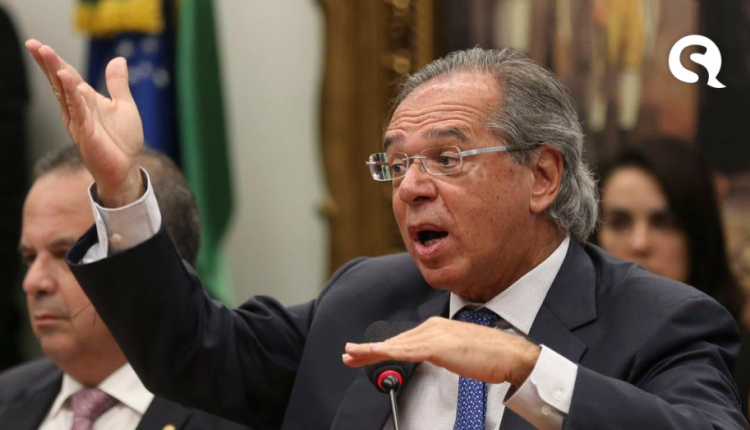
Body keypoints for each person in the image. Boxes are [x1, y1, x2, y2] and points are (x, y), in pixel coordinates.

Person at [25, 38, 748, 430]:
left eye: (447, 159)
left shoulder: (662, 322)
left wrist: (527, 368)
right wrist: (120, 190)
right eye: (397, 164)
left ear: (542, 175)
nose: (411, 187)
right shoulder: (366, 297)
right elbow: (194, 352)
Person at [0, 146, 250, 430]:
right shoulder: (6, 400)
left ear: (155, 263)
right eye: (30, 257)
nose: (33, 282)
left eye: (67, 255)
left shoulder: (232, 415)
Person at [596, 138, 750, 414]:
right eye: (619, 223)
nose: (640, 243)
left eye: (664, 223)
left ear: (698, 234)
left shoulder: (737, 359)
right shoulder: (560, 347)